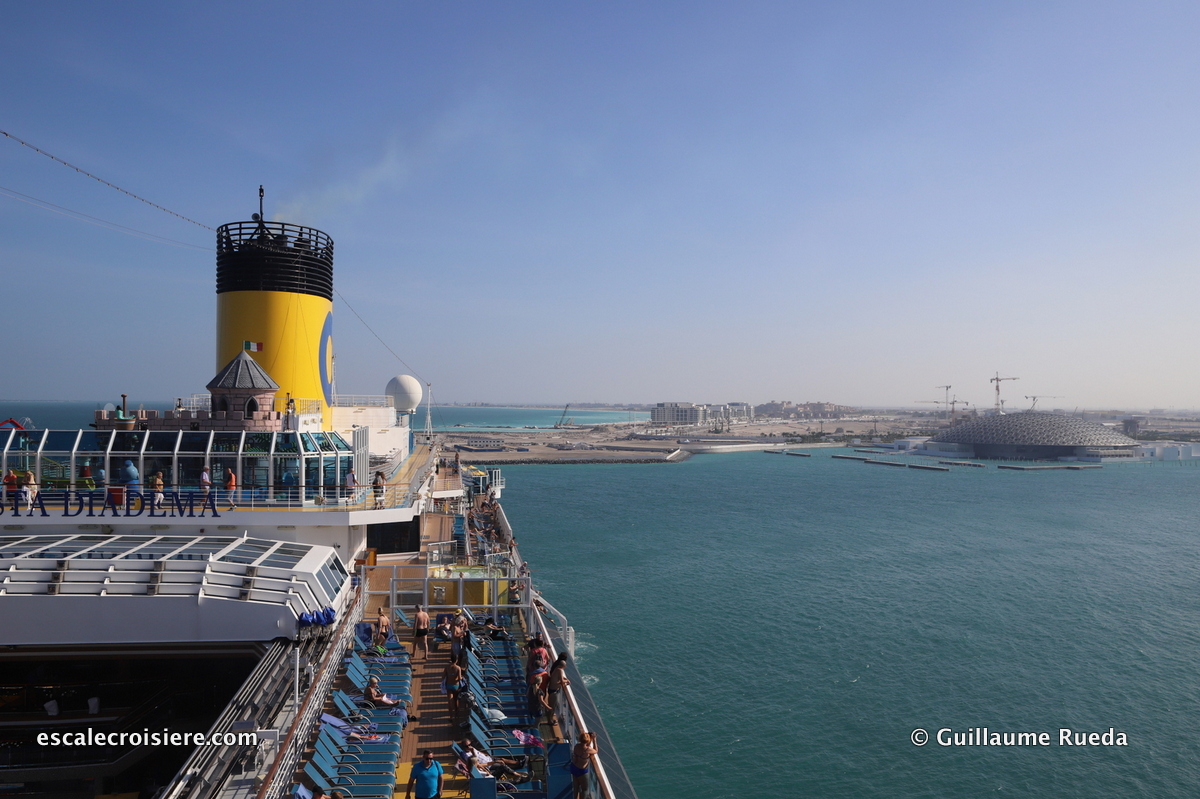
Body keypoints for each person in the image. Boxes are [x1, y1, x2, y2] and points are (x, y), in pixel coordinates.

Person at [460, 739, 526, 780]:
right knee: (502, 765)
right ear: (463, 747)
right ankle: (517, 773)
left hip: (488, 759)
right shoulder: (466, 755)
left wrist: (485, 754)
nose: (469, 747)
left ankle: (519, 764)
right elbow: (476, 763)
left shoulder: (472, 748)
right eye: (466, 746)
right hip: (488, 766)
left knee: (502, 759)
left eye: (470, 744)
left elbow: (479, 753)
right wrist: (473, 752)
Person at [570, 733, 597, 799]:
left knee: (576, 787)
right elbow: (595, 751)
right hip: (582, 771)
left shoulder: (576, 746)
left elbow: (583, 747)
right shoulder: (587, 750)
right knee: (585, 789)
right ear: (588, 740)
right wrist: (594, 740)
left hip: (574, 767)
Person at [547, 652, 571, 725]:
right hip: (553, 691)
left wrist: (565, 679)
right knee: (552, 706)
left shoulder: (557, 669)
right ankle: (550, 721)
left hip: (551, 689)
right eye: (565, 666)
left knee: (552, 705)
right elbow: (561, 681)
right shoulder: (560, 670)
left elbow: (560, 678)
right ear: (562, 666)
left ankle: (550, 719)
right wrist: (567, 681)